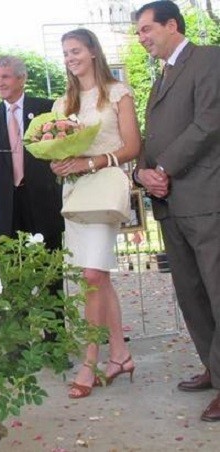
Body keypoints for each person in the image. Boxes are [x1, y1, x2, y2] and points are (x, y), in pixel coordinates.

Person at [135, 1, 220, 421]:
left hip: (205, 200)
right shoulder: (160, 76)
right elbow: (152, 139)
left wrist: (163, 168)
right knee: (192, 294)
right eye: (138, 33)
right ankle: (213, 367)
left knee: (217, 291)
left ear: (173, 24)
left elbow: (209, 123)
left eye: (148, 29)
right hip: (169, 204)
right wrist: (143, 173)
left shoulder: (209, 59)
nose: (142, 38)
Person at [49, 28, 140, 398]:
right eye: (65, 53)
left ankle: (89, 362)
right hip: (76, 195)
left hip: (104, 188)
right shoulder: (62, 104)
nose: (70, 58)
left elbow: (133, 145)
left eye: (75, 51)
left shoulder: (118, 93)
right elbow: (55, 149)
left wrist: (91, 162)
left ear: (92, 52)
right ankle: (120, 354)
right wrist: (58, 163)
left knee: (90, 276)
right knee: (98, 278)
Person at [0, 55, 66, 345]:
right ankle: (18, 341)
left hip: (42, 202)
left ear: (21, 78)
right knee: (11, 276)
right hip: (7, 206)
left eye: (5, 77)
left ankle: (54, 341)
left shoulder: (47, 108)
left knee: (51, 274)